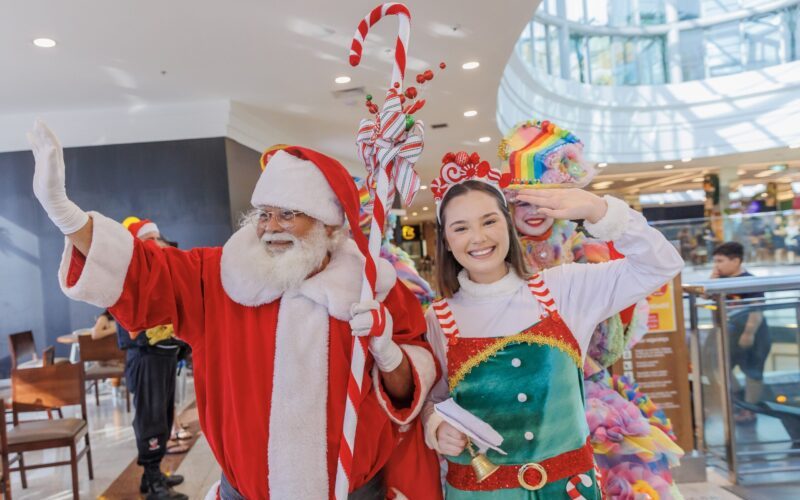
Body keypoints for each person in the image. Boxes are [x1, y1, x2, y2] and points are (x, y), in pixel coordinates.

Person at [27, 121, 438, 499]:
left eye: (289, 214)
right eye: (264, 214)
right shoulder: (217, 278)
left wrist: (388, 352)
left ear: (330, 226)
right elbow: (143, 271)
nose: (270, 227)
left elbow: (408, 391)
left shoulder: (375, 289)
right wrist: (67, 216)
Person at [422, 150, 683, 498]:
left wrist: (597, 209)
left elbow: (661, 265)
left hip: (569, 490)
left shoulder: (564, 289)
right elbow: (433, 398)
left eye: (489, 221)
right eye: (460, 227)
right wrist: (437, 425)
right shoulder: (438, 317)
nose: (478, 237)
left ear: (507, 223)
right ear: (446, 241)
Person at [118, 218, 188, 499]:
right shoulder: (127, 276)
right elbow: (133, 329)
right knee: (150, 418)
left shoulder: (158, 273)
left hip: (164, 356)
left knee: (163, 414)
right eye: (151, 239)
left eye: (159, 237)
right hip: (145, 358)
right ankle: (152, 479)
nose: (158, 243)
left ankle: (155, 474)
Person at [711, 241, 771, 424]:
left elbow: (756, 311)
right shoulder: (720, 279)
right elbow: (705, 297)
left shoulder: (749, 280)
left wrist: (749, 333)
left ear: (736, 260)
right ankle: (740, 398)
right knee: (718, 367)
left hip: (754, 334)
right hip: (730, 332)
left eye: (720, 261)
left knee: (753, 371)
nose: (717, 265)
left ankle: (750, 410)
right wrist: (712, 280)